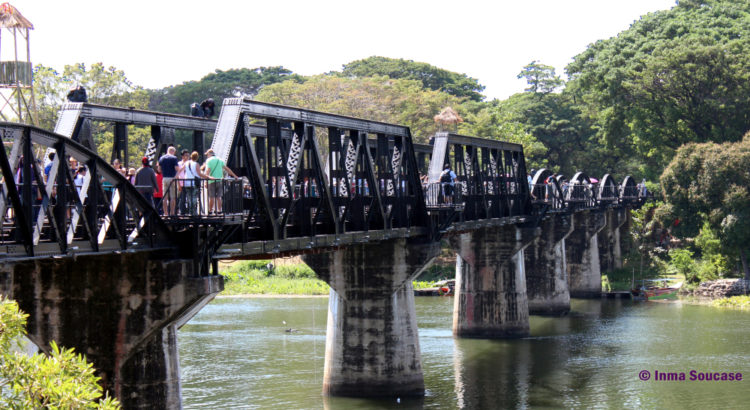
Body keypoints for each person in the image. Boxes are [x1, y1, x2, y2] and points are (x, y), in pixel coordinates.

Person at [203, 149, 238, 214]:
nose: (207, 156)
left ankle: (210, 211)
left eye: (207, 155)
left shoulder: (209, 160)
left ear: (209, 154)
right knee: (219, 197)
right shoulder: (220, 160)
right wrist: (234, 176)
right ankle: (219, 210)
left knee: (212, 196)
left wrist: (205, 181)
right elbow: (227, 169)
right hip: (220, 180)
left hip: (212, 181)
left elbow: (208, 171)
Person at [158, 146, 180, 216]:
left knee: (165, 197)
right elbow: (177, 169)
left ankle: (165, 213)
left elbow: (159, 170)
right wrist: (176, 176)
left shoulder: (162, 158)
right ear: (173, 151)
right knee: (173, 197)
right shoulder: (174, 158)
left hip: (164, 178)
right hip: (172, 178)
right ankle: (172, 213)